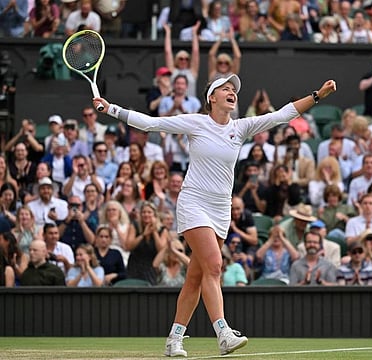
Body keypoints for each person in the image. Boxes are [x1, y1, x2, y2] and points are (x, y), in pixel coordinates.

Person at [93, 73, 336, 356]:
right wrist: (110, 108)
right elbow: (150, 123)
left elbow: (283, 115)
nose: (232, 92)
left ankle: (174, 339)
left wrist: (318, 95)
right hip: (194, 202)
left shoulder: (242, 127)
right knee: (214, 266)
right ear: (212, 97)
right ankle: (222, 332)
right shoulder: (196, 122)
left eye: (234, 89)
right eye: (225, 89)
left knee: (196, 277)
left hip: (221, 210)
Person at [124, 201, 168, 285]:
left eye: (149, 212)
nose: (146, 215)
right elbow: (128, 246)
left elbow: (161, 250)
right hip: (135, 265)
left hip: (152, 266)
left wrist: (154, 231)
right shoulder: (135, 226)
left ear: (154, 215)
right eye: (144, 212)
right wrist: (143, 235)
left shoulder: (162, 230)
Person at [163, 21, 200, 97]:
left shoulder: (192, 72)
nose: (184, 61)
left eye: (186, 59)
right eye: (181, 59)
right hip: (173, 105)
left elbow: (195, 52)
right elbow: (167, 52)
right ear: (176, 60)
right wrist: (168, 32)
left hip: (190, 106)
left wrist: (194, 33)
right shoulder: (173, 71)